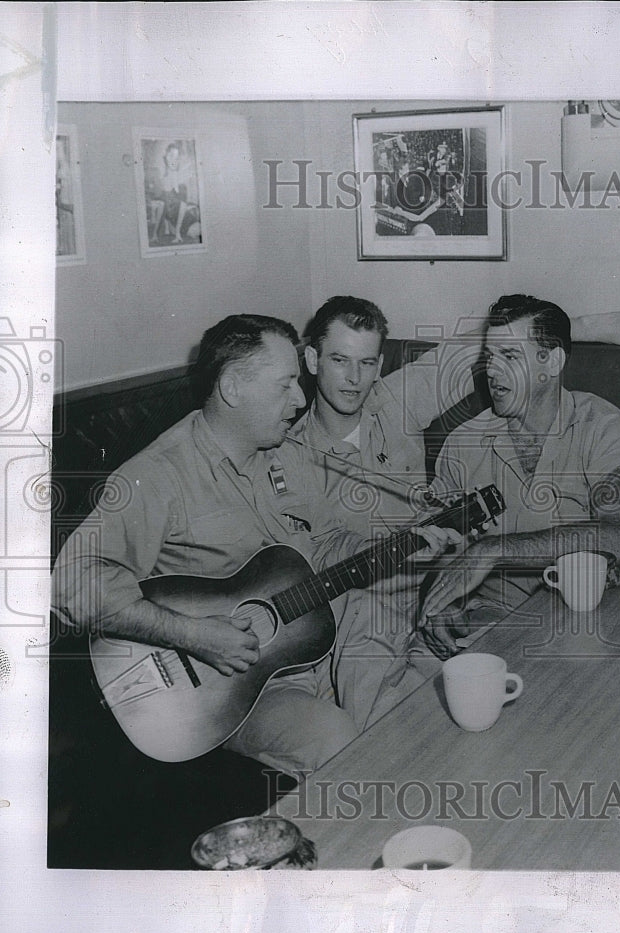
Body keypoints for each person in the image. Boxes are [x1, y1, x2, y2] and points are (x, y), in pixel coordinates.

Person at [52, 314, 459, 775]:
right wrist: (195, 635)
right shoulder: (158, 476)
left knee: (419, 715)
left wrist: (399, 546)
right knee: (340, 745)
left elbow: (324, 545)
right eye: (285, 384)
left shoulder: (286, 453)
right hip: (232, 688)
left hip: (319, 644)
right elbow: (72, 585)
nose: (301, 398)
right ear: (232, 387)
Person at [277, 295, 484, 731]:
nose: (355, 380)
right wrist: (392, 550)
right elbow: (309, 561)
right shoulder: (288, 454)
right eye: (339, 360)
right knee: (383, 738)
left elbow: (471, 349)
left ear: (380, 363)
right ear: (312, 359)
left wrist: (595, 324)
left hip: (441, 586)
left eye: (367, 364)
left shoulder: (393, 400)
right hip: (364, 607)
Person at [415, 293, 620, 657]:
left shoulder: (600, 424)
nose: (491, 371)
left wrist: (496, 550)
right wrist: (442, 603)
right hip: (488, 621)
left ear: (552, 361)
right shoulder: (464, 441)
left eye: (509, 356)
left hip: (581, 622)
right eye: (489, 357)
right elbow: (437, 541)